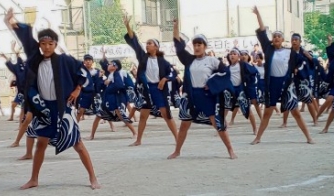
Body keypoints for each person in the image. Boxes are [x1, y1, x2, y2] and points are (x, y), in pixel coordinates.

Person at [4, 8, 100, 190]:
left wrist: (78, 89)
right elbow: (26, 40)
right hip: (45, 109)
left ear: (55, 44)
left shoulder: (65, 60)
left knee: (78, 144)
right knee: (40, 143)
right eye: (43, 43)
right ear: (39, 45)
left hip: (64, 107)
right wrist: (12, 22)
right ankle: (34, 179)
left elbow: (83, 74)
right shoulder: (35, 59)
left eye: (50, 43)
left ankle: (93, 178)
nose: (46, 47)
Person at [167, 18, 237, 159]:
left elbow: (225, 73)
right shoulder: (189, 60)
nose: (197, 47)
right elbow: (178, 46)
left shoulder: (212, 61)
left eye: (199, 44)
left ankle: (230, 150)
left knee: (218, 124)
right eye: (195, 44)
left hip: (207, 96)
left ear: (205, 46)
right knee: (184, 125)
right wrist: (175, 26)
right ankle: (177, 151)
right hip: (192, 96)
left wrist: (211, 83)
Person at [250, 6, 314, 145]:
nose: (276, 38)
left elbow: (303, 62)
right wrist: (258, 14)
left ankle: (309, 137)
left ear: (283, 39)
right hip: (272, 83)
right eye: (274, 36)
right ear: (272, 40)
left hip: (286, 84)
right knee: (268, 112)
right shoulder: (268, 48)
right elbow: (262, 31)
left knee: (295, 112)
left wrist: (301, 65)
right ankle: (258, 138)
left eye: (279, 36)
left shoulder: (290, 52)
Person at [123, 15, 178, 146]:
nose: (147, 45)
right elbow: (134, 41)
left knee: (166, 115)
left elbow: (173, 73)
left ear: (156, 47)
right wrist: (127, 26)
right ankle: (138, 140)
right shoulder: (142, 57)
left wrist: (165, 79)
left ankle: (177, 138)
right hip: (146, 90)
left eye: (150, 43)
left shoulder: (163, 62)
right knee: (143, 116)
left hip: (159, 90)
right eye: (146, 43)